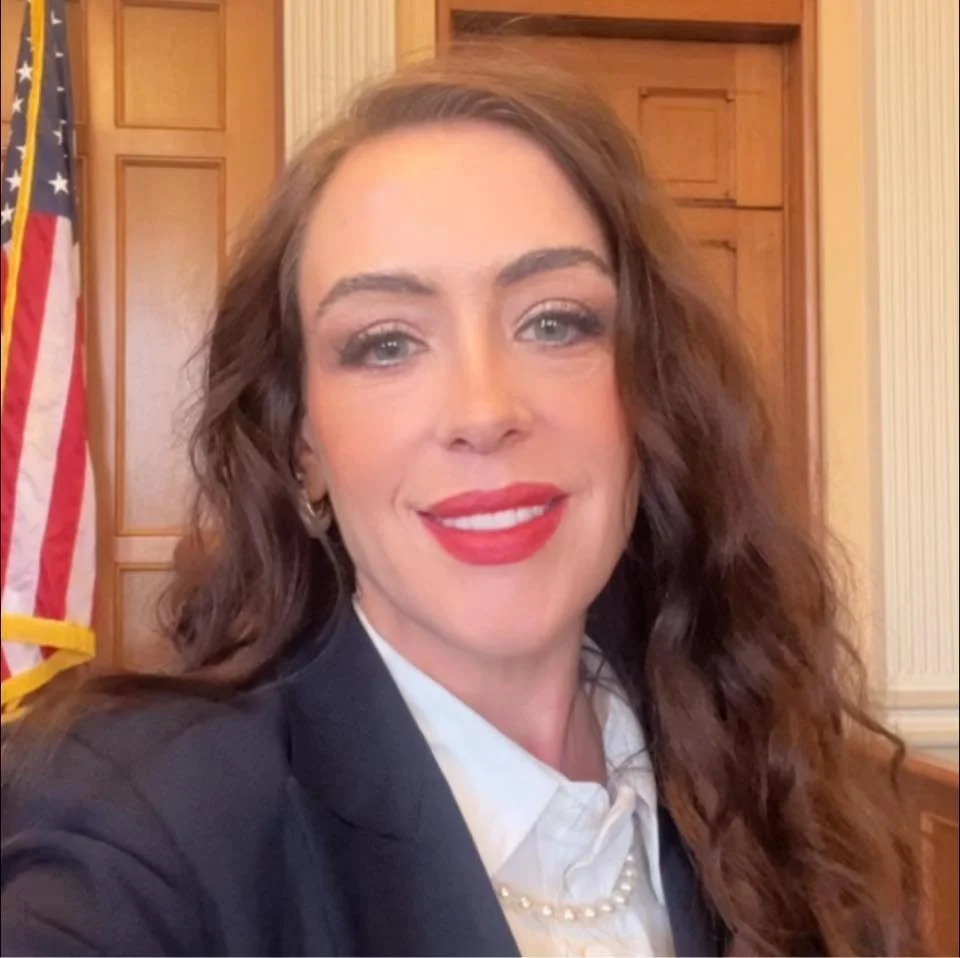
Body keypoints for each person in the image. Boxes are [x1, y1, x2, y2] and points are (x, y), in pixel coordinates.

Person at [1, 51, 921, 957]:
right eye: (387, 343)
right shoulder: (141, 822)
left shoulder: (782, 783)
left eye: (556, 322)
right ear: (303, 446)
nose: (485, 413)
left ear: (652, 395)